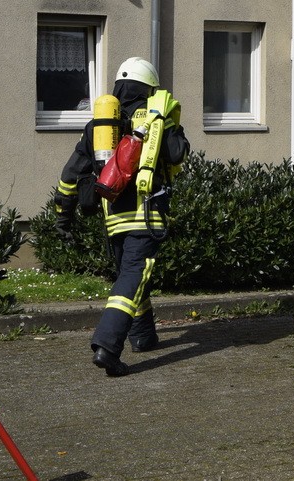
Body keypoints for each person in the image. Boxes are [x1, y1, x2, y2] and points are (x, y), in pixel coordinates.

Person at [54, 57, 190, 377]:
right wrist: (170, 129)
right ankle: (107, 345)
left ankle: (142, 336)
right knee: (132, 278)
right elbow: (177, 153)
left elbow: (71, 175)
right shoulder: (158, 117)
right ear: (150, 87)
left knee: (129, 278)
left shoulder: (100, 127)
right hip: (146, 216)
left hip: (113, 219)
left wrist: (63, 217)